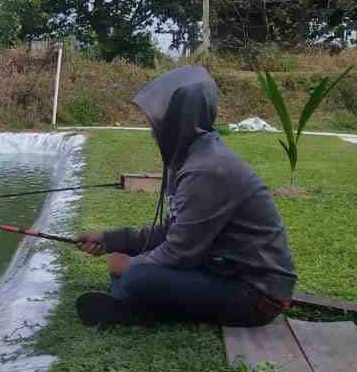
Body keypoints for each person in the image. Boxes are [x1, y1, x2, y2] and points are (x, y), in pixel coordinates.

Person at [73, 66, 297, 328]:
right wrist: (112, 240)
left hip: (257, 295)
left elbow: (179, 252)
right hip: (221, 268)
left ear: (177, 120)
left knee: (137, 278)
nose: (151, 128)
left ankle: (133, 304)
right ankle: (133, 300)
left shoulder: (207, 169)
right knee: (128, 255)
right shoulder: (187, 159)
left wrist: (131, 266)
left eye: (155, 120)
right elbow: (171, 231)